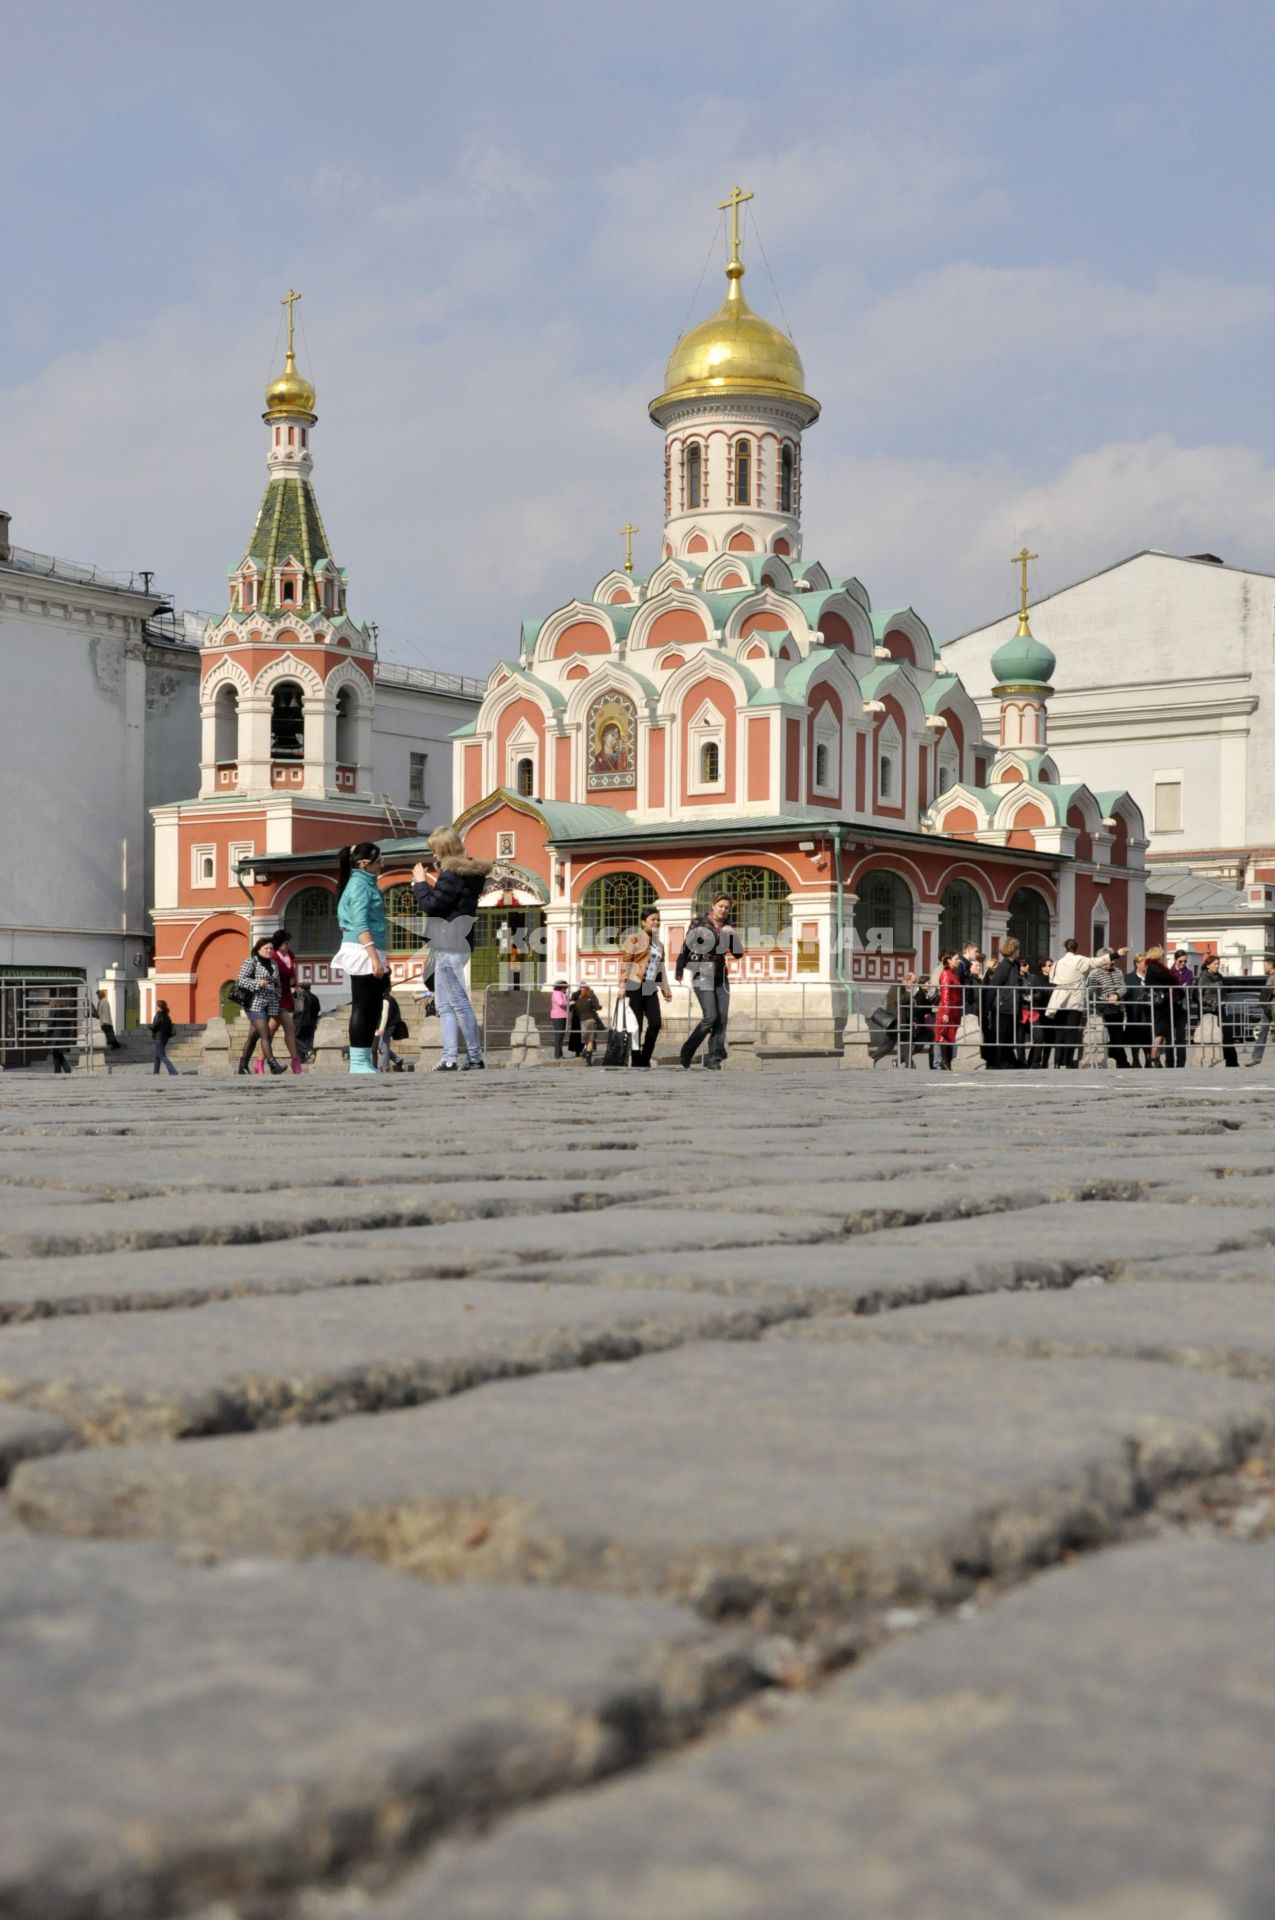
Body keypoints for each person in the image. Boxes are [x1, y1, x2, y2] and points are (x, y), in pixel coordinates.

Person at [410, 825, 491, 1073]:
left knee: (458, 1003)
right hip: (458, 943)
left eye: (434, 850)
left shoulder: (451, 874)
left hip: (449, 944)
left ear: (442, 849)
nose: (433, 855)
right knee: (444, 1005)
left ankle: (474, 1057)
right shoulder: (468, 874)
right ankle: (449, 1057)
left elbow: (433, 906)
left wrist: (420, 884)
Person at [334, 842, 388, 1076]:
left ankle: (364, 1058)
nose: (382, 865)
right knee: (363, 1006)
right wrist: (373, 957)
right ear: (364, 864)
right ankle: (357, 1060)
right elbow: (360, 923)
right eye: (378, 862)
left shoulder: (367, 884)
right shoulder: (358, 886)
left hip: (370, 948)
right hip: (361, 948)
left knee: (373, 1007)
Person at [676, 892, 743, 1070]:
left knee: (721, 1019)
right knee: (710, 1017)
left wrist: (733, 937)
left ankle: (714, 1060)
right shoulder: (699, 923)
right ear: (713, 906)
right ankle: (687, 1050)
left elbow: (738, 954)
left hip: (721, 975)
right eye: (720, 906)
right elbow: (686, 946)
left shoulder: (728, 927)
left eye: (727, 908)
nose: (723, 910)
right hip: (702, 971)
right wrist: (679, 968)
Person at [620, 907, 672, 1068]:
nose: (656, 922)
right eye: (652, 919)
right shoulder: (634, 938)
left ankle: (645, 1056)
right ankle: (637, 1060)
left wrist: (665, 989)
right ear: (643, 922)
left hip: (650, 987)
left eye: (658, 919)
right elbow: (626, 962)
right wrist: (622, 986)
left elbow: (660, 968)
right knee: (637, 1025)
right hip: (634, 984)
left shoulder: (660, 944)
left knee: (655, 1022)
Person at [1046, 939, 1109, 1068]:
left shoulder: (1057, 963)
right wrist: (1116, 954)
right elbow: (1098, 961)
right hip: (1075, 1001)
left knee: (1059, 1032)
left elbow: (1052, 980)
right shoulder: (1080, 960)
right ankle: (1068, 1062)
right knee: (1071, 1032)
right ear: (1076, 948)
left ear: (1065, 948)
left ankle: (1057, 1062)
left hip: (1059, 1001)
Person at [234, 937, 287, 1075]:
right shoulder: (251, 961)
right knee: (265, 1033)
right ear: (258, 949)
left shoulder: (274, 964)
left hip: (269, 1003)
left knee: (253, 1036)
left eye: (271, 948)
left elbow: (277, 982)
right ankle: (273, 1064)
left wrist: (278, 990)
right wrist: (257, 983)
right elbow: (240, 980)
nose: (269, 951)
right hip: (254, 1003)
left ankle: (242, 1066)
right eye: (266, 948)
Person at [267, 928, 305, 1074]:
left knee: (270, 1031)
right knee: (289, 1027)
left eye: (287, 942)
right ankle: (296, 1063)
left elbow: (292, 970)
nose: (287, 945)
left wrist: (294, 981)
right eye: (284, 943)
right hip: (276, 997)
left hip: (287, 995)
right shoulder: (273, 957)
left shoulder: (289, 955)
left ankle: (260, 1061)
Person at [981, 938, 1023, 1069]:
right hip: (1002, 1006)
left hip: (1010, 1006)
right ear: (1013, 950)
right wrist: (987, 1007)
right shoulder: (1004, 965)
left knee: (1008, 1036)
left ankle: (1009, 1061)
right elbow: (993, 986)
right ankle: (999, 1062)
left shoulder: (1013, 965)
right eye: (1017, 949)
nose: (1019, 951)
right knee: (1001, 1036)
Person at [1088, 948, 1130, 1068]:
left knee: (1117, 1036)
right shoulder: (1094, 973)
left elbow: (1123, 988)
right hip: (1102, 1010)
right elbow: (1091, 992)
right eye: (1107, 962)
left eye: (1111, 961)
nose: (1110, 964)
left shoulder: (1118, 971)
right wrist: (1106, 997)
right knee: (1108, 1036)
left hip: (1118, 1009)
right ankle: (1119, 1062)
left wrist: (1116, 995)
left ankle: (1119, 1061)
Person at [1142, 946, 1183, 1068]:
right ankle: (1153, 1059)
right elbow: (1170, 979)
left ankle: (1156, 1059)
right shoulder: (1155, 968)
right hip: (1161, 1004)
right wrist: (1174, 977)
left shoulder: (1151, 967)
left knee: (1161, 1033)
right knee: (1159, 1033)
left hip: (1161, 1003)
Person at [1197, 955, 1241, 1068]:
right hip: (1208, 1012)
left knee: (1227, 1036)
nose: (1217, 966)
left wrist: (1223, 1000)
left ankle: (1232, 1063)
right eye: (1215, 964)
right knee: (1211, 1037)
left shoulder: (1220, 977)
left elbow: (1223, 992)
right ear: (1208, 965)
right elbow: (1197, 995)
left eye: (1218, 963)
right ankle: (1209, 1062)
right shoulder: (1203, 977)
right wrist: (1211, 1002)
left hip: (1220, 1009)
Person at [1020, 956, 1054, 1069]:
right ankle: (1028, 1062)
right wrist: (1028, 997)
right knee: (1031, 1037)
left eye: (1028, 964)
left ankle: (1040, 1062)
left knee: (1046, 1038)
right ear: (1043, 967)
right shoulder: (1036, 978)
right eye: (1024, 964)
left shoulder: (1051, 978)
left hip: (1047, 1010)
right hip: (1033, 1010)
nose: (1027, 966)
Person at [933, 950, 963, 1071]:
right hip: (948, 1009)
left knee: (950, 1036)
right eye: (956, 958)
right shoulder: (946, 974)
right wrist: (946, 1012)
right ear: (949, 960)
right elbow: (945, 994)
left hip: (954, 1009)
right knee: (944, 1036)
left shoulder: (953, 973)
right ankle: (945, 1063)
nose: (958, 961)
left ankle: (947, 1063)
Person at [1123, 954, 1154, 1067]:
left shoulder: (1151, 977)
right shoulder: (1129, 978)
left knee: (1148, 1035)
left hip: (1149, 1011)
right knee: (1134, 1036)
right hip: (1134, 1011)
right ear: (1137, 964)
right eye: (1144, 962)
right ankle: (1135, 1060)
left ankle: (1148, 1059)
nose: (1146, 965)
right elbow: (1125, 995)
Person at [1249, 958, 1275, 1066]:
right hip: (1268, 1006)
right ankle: (1256, 1057)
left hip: (1271, 1006)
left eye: (1265, 965)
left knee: (1262, 1032)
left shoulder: (1273, 977)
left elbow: (1268, 992)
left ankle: (1256, 1057)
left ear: (1270, 965)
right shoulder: (1271, 977)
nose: (1264, 967)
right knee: (1262, 1032)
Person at [292, 981, 321, 1061]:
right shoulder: (315, 997)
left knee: (293, 1038)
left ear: (300, 988)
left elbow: (298, 1009)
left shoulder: (299, 996)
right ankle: (302, 1059)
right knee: (306, 1039)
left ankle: (308, 1050)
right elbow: (318, 1009)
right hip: (311, 1022)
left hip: (300, 1021)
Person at [574, 982, 601, 1063]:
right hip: (590, 1019)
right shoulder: (591, 997)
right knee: (590, 1039)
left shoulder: (580, 999)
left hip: (582, 1021)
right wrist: (599, 1007)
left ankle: (586, 1052)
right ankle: (588, 1058)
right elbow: (597, 1007)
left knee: (586, 1039)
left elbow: (577, 1008)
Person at [151, 998, 178, 1077]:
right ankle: (156, 1072)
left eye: (157, 1006)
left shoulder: (158, 1015)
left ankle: (173, 1070)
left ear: (159, 1007)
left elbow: (155, 1026)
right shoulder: (167, 1016)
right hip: (165, 1038)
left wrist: (148, 1026)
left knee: (161, 1055)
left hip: (158, 1037)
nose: (156, 1007)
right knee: (157, 1055)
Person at [549, 979, 570, 1060]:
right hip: (558, 1016)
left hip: (563, 1015)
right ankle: (557, 1055)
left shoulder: (563, 994)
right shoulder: (556, 994)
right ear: (561, 988)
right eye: (565, 988)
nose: (566, 990)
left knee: (561, 1036)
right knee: (558, 1036)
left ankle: (560, 1054)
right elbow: (561, 1003)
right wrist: (569, 1003)